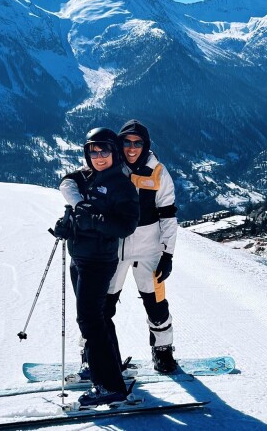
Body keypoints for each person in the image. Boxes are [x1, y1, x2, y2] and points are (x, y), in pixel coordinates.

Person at [58, 127, 140, 406]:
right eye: (93, 150)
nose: (99, 155)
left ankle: (108, 385)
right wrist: (67, 226)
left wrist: (94, 220)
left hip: (98, 262)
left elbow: (126, 226)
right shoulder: (88, 179)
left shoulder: (121, 185)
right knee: (98, 319)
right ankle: (109, 369)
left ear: (114, 153)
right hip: (79, 258)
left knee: (90, 321)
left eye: (104, 150)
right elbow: (77, 210)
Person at [106, 119, 179, 373]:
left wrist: (167, 254)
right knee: (101, 305)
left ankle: (163, 351)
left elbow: (168, 216)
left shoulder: (158, 172)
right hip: (114, 251)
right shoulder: (110, 167)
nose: (132, 147)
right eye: (126, 142)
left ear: (146, 145)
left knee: (156, 304)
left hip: (149, 251)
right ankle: (93, 352)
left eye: (138, 143)